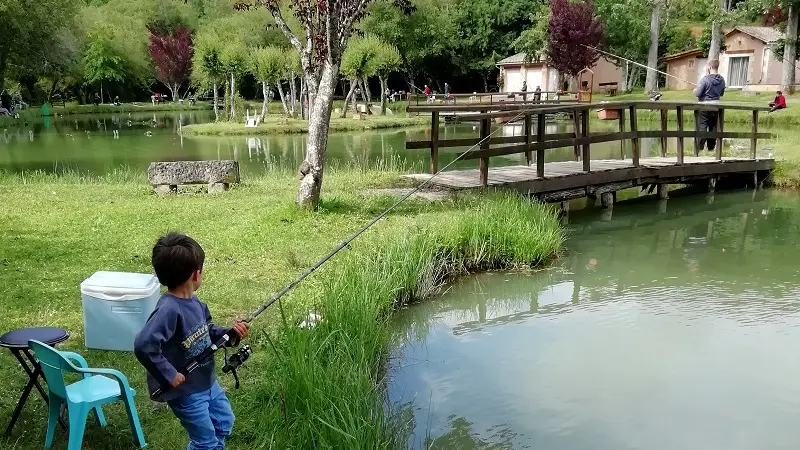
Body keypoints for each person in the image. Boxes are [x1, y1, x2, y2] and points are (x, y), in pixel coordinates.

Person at [134, 233, 250, 450]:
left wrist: (231, 333)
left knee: (224, 423)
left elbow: (207, 331)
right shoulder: (169, 310)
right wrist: (169, 374)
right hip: (185, 391)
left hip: (206, 381)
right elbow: (144, 345)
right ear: (196, 275)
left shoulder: (195, 303)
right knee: (205, 442)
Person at [693, 60, 726, 152]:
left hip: (704, 106)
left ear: (710, 67)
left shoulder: (705, 79)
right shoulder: (722, 80)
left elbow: (698, 94)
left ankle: (700, 146)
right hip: (716, 106)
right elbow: (722, 93)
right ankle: (711, 146)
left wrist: (695, 90)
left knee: (703, 125)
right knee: (713, 125)